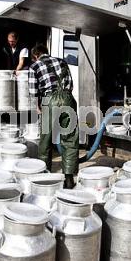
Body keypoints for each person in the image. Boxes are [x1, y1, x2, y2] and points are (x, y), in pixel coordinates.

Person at [28, 44, 79, 189]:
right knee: (70, 139)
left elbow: (33, 91)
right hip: (68, 99)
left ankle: (46, 176)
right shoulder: (62, 61)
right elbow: (71, 83)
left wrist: (37, 107)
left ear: (36, 55)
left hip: (48, 100)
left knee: (45, 141)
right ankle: (69, 179)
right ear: (46, 52)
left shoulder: (35, 66)